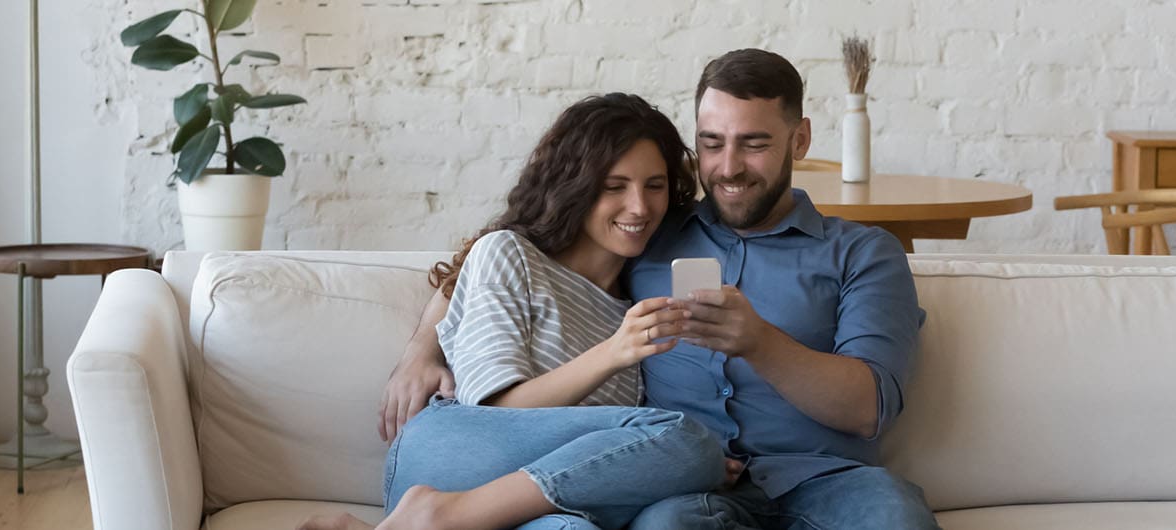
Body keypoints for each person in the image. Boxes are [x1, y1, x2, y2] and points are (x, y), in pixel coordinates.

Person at [375, 49, 938, 530]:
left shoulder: (864, 252)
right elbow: (505, 256)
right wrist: (422, 348)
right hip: (686, 490)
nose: (729, 167)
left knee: (893, 516)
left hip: (823, 478)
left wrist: (760, 343)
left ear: (801, 139)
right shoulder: (652, 231)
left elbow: (869, 409)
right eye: (712, 143)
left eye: (755, 143)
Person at [302, 93, 735, 530]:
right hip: (456, 456)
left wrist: (662, 464)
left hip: (538, 507)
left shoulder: (639, 297)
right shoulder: (510, 255)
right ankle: (435, 514)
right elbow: (498, 408)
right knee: (686, 439)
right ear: (576, 185)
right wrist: (615, 353)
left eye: (654, 185)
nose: (640, 207)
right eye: (614, 186)